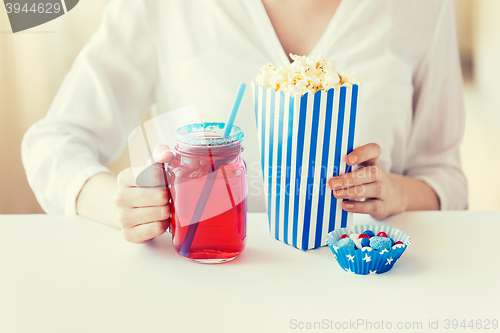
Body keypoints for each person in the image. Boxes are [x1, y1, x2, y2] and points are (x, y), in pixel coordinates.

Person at [22, 0, 468, 244]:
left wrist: (394, 192)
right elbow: (53, 142)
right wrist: (123, 205)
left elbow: (446, 177)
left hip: (368, 290)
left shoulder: (423, 8)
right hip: (205, 287)